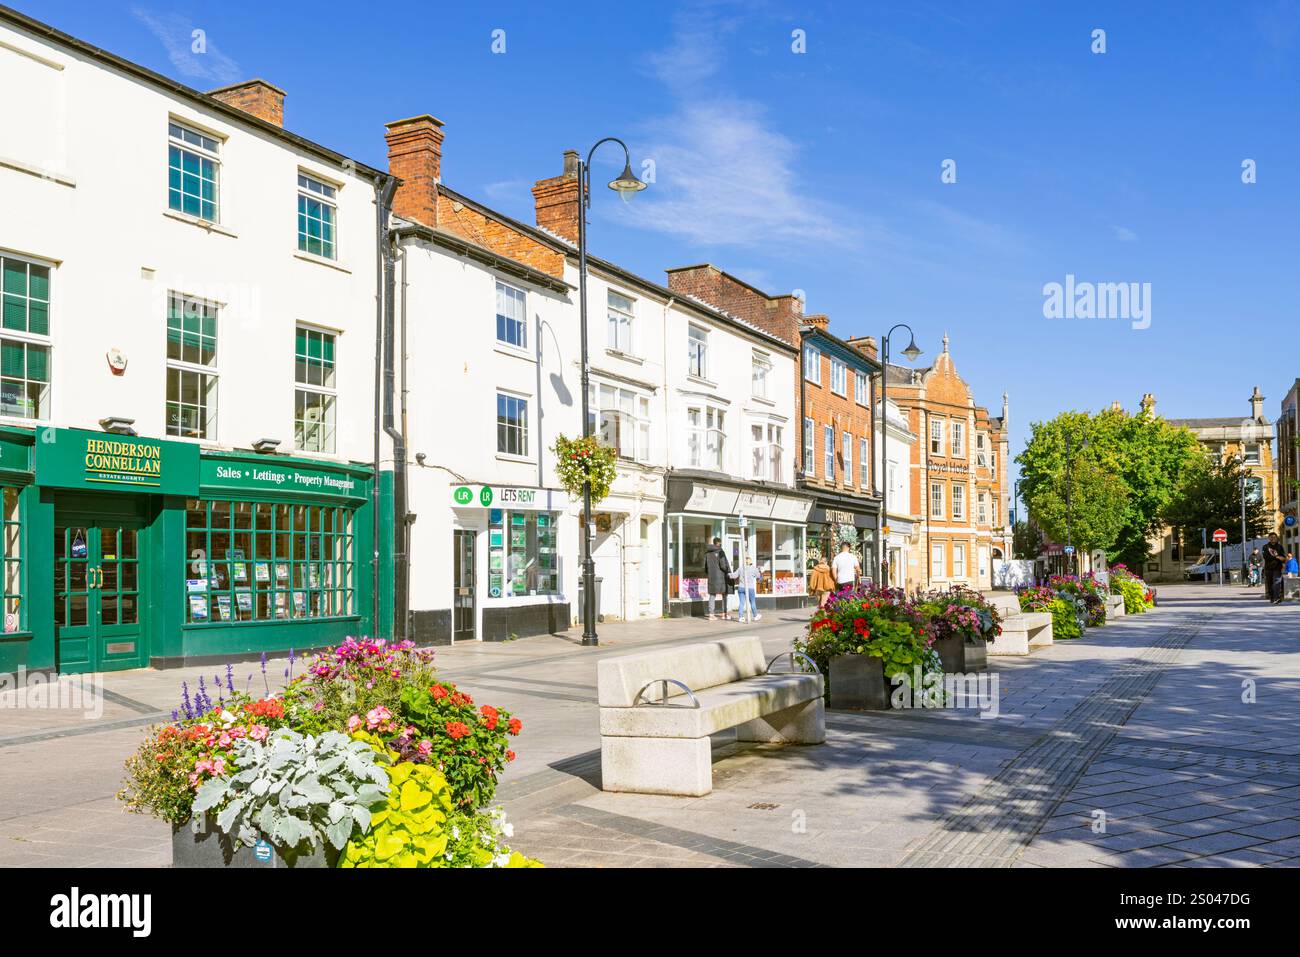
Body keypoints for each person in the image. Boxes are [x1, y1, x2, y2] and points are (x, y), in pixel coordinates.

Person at [703, 537, 733, 621]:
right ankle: (724, 614)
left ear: (713, 543)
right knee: (724, 594)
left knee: (712, 595)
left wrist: (709, 573)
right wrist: (728, 572)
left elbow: (704, 566)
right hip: (721, 577)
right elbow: (723, 565)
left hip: (711, 577)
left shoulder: (707, 553)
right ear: (719, 543)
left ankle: (711, 614)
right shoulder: (721, 552)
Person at [1263, 533, 1286, 604]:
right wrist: (1277, 557)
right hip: (1268, 568)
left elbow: (1283, 557)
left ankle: (1277, 598)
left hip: (1277, 568)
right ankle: (1272, 597)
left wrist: (1283, 559)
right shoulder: (1265, 547)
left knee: (1277, 582)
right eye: (1271, 537)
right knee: (1270, 584)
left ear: (1276, 538)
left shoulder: (1280, 547)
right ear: (1269, 538)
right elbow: (1266, 557)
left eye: (1274, 537)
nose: (1273, 538)